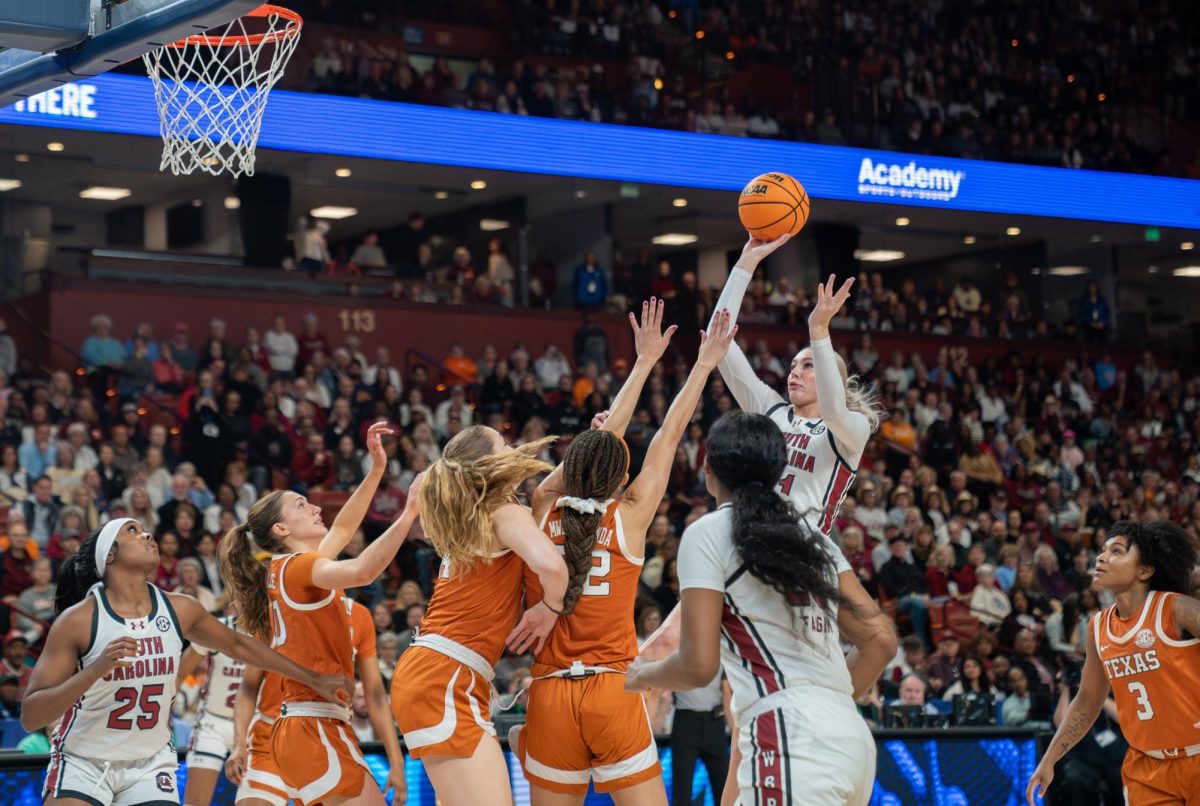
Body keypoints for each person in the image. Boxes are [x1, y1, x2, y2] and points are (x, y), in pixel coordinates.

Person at [509, 302, 735, 804]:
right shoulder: (629, 517)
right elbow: (669, 434)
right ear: (621, 481)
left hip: (548, 696)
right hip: (613, 692)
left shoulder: (540, 510)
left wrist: (642, 363)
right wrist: (700, 364)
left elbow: (591, 451)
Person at [626, 411, 896, 806]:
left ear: (708, 468)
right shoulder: (813, 537)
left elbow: (698, 665)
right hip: (849, 738)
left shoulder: (707, 533)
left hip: (790, 736)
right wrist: (822, 706)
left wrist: (641, 675)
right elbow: (881, 642)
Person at [21, 519, 347, 806]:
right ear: (109, 555)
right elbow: (31, 715)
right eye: (132, 531)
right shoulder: (78, 621)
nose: (147, 534)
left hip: (149, 763)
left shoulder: (180, 608)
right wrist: (95, 669)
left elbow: (238, 644)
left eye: (144, 529)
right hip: (84, 760)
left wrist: (313, 678)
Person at [221, 421, 413, 805]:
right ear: (279, 527)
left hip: (314, 723)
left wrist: (375, 470)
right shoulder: (298, 567)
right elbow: (362, 570)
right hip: (310, 723)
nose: (313, 507)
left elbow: (342, 528)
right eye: (300, 505)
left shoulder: (289, 568)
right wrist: (408, 515)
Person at [389, 422, 568, 806]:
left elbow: (552, 484)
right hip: (446, 675)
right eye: (503, 444)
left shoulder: (472, 514)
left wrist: (602, 433)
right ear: (488, 463)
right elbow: (553, 568)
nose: (514, 446)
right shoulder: (502, 511)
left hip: (437, 671)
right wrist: (550, 607)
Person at [709, 236, 882, 532]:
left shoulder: (853, 427)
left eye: (808, 365)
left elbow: (834, 412)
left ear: (834, 381)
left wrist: (818, 330)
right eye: (792, 366)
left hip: (803, 553)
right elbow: (718, 340)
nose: (795, 372)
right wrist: (745, 264)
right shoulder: (772, 409)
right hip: (752, 538)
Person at [1028, 521, 1200, 805]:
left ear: (1144, 570)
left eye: (1116, 551)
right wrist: (1050, 758)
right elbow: (1087, 702)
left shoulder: (1176, 609)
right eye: (1103, 550)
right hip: (1148, 769)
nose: (1101, 557)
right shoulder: (1098, 627)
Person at [177, 607, 246, 806]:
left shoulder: (272, 630)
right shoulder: (219, 628)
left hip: (253, 725)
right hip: (213, 722)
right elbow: (181, 674)